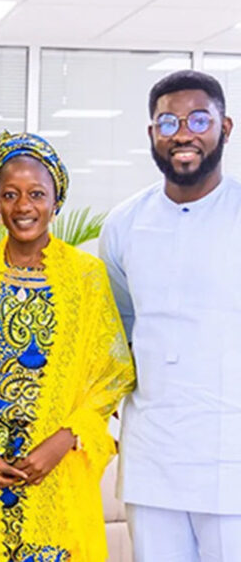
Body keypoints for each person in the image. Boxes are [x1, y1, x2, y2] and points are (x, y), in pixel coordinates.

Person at [0, 131, 135, 562]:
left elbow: (114, 373)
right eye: (10, 194)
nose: (24, 207)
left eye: (36, 194)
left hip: (57, 473)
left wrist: (64, 440)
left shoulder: (86, 276)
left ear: (55, 201)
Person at [100, 70, 241, 561]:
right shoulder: (123, 224)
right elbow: (121, 331)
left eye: (199, 119)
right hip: (153, 455)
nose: (183, 133)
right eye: (168, 121)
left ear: (225, 128)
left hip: (231, 456)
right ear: (151, 134)